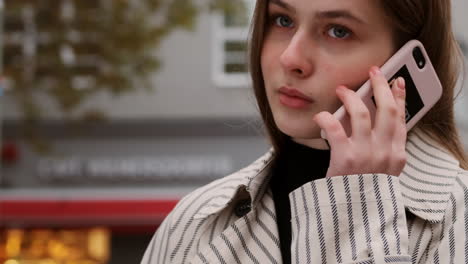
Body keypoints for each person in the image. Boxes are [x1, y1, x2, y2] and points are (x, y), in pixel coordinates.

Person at [140, 0, 468, 263]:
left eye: (338, 31)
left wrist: (358, 203)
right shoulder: (195, 220)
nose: (291, 57)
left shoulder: (459, 218)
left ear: (401, 63)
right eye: (283, 20)